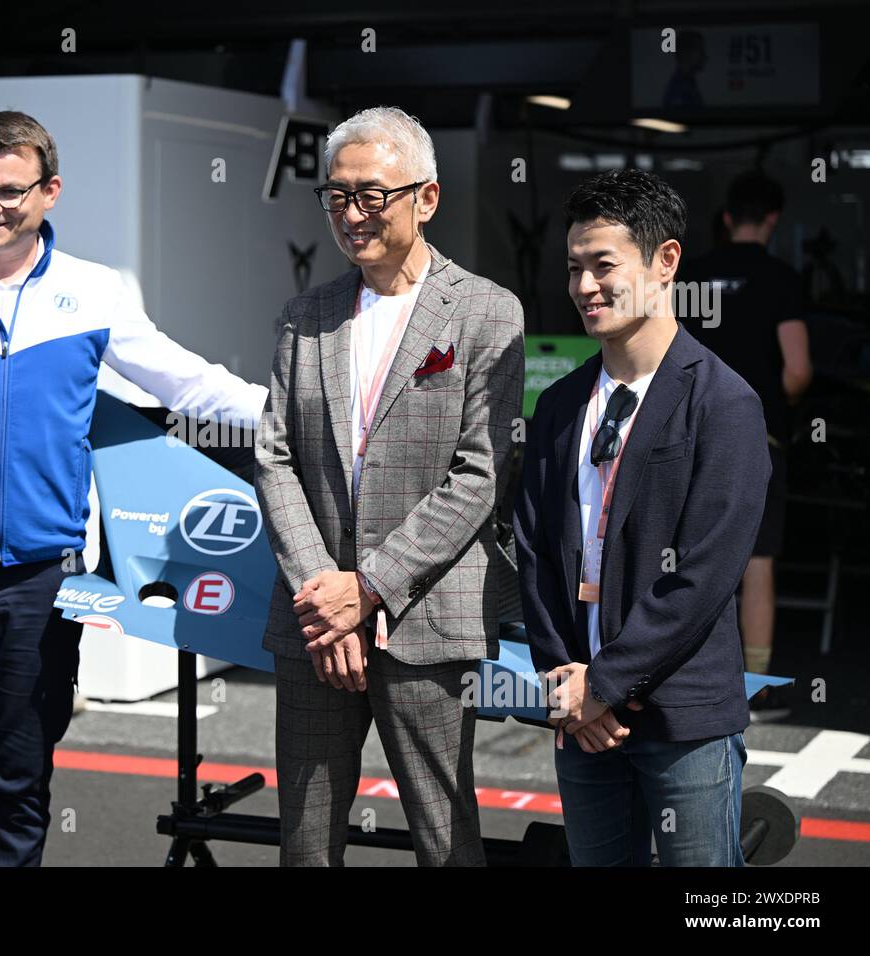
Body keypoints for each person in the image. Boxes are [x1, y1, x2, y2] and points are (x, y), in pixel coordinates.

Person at [0, 110, 267, 867]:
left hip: (44, 584)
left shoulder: (93, 293)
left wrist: (290, 411)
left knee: (21, 786)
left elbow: (186, 381)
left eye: (10, 191)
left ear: (50, 190)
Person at [255, 106, 524, 866]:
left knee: (445, 840)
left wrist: (367, 587)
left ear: (426, 198)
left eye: (372, 194)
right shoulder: (304, 315)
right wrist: (325, 598)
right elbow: (275, 458)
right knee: (305, 844)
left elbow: (480, 476)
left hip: (427, 621)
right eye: (337, 196)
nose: (351, 214)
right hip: (316, 628)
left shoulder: (485, 310)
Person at [514, 168, 770, 866]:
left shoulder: (723, 403)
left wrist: (604, 684)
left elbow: (704, 575)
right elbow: (535, 551)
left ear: (666, 263)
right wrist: (566, 680)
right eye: (574, 269)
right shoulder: (562, 405)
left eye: (603, 266)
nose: (584, 287)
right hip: (583, 716)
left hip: (682, 719)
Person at [681, 170, 812, 718]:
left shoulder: (691, 274)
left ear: (728, 218)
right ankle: (754, 687)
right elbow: (799, 370)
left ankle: (684, 681)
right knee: (757, 559)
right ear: (774, 219)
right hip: (758, 437)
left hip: (688, 434)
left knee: (686, 555)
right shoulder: (781, 278)